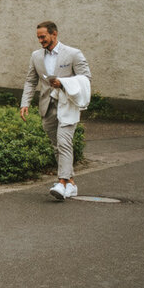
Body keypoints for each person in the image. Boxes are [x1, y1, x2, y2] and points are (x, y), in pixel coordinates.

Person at [20, 21, 91, 200]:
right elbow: (30, 81)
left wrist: (64, 83)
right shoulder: (36, 56)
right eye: (38, 37)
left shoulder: (73, 54)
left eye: (43, 37)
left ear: (54, 34)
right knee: (56, 146)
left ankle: (61, 182)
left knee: (64, 142)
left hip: (67, 105)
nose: (40, 40)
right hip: (47, 106)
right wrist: (25, 103)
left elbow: (86, 78)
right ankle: (71, 184)